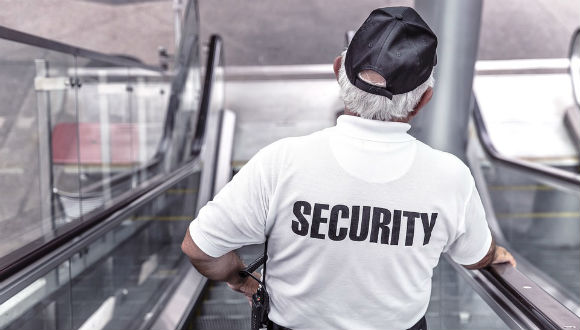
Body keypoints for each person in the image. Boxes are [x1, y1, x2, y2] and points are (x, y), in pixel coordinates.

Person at [181, 6, 516, 330]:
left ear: (338, 69)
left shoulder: (282, 162)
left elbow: (200, 248)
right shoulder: (450, 177)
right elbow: (475, 255)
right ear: (423, 99)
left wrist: (240, 280)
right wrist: (494, 253)